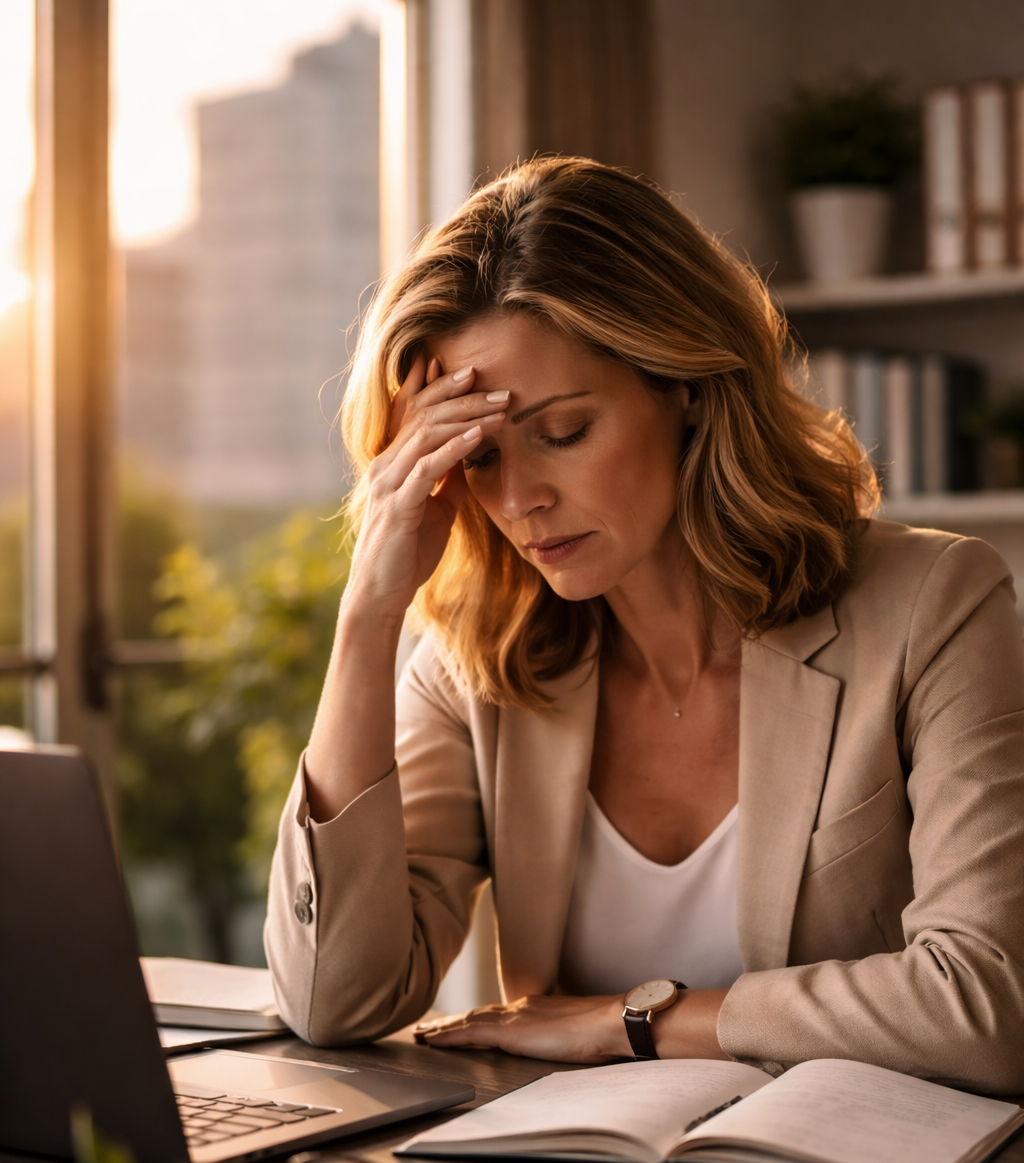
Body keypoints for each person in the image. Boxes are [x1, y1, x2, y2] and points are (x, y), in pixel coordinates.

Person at [265, 156, 1024, 1093]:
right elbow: (333, 1002)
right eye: (480, 457)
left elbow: (989, 1007)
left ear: (687, 386)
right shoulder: (477, 662)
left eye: (565, 431)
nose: (522, 498)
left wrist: (635, 1022)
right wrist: (369, 614)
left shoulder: (935, 603)